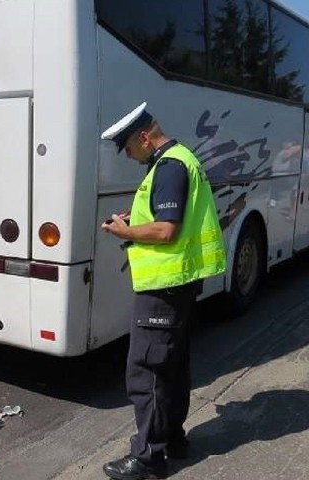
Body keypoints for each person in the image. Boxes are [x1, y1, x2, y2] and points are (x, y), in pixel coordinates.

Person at [99, 103, 226, 480]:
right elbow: (165, 217)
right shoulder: (179, 159)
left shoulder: (169, 165)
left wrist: (125, 232)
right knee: (173, 364)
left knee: (148, 370)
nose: (126, 154)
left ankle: (148, 459)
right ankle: (172, 439)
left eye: (127, 146)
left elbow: (167, 229)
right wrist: (134, 219)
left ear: (144, 136)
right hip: (180, 283)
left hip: (164, 287)